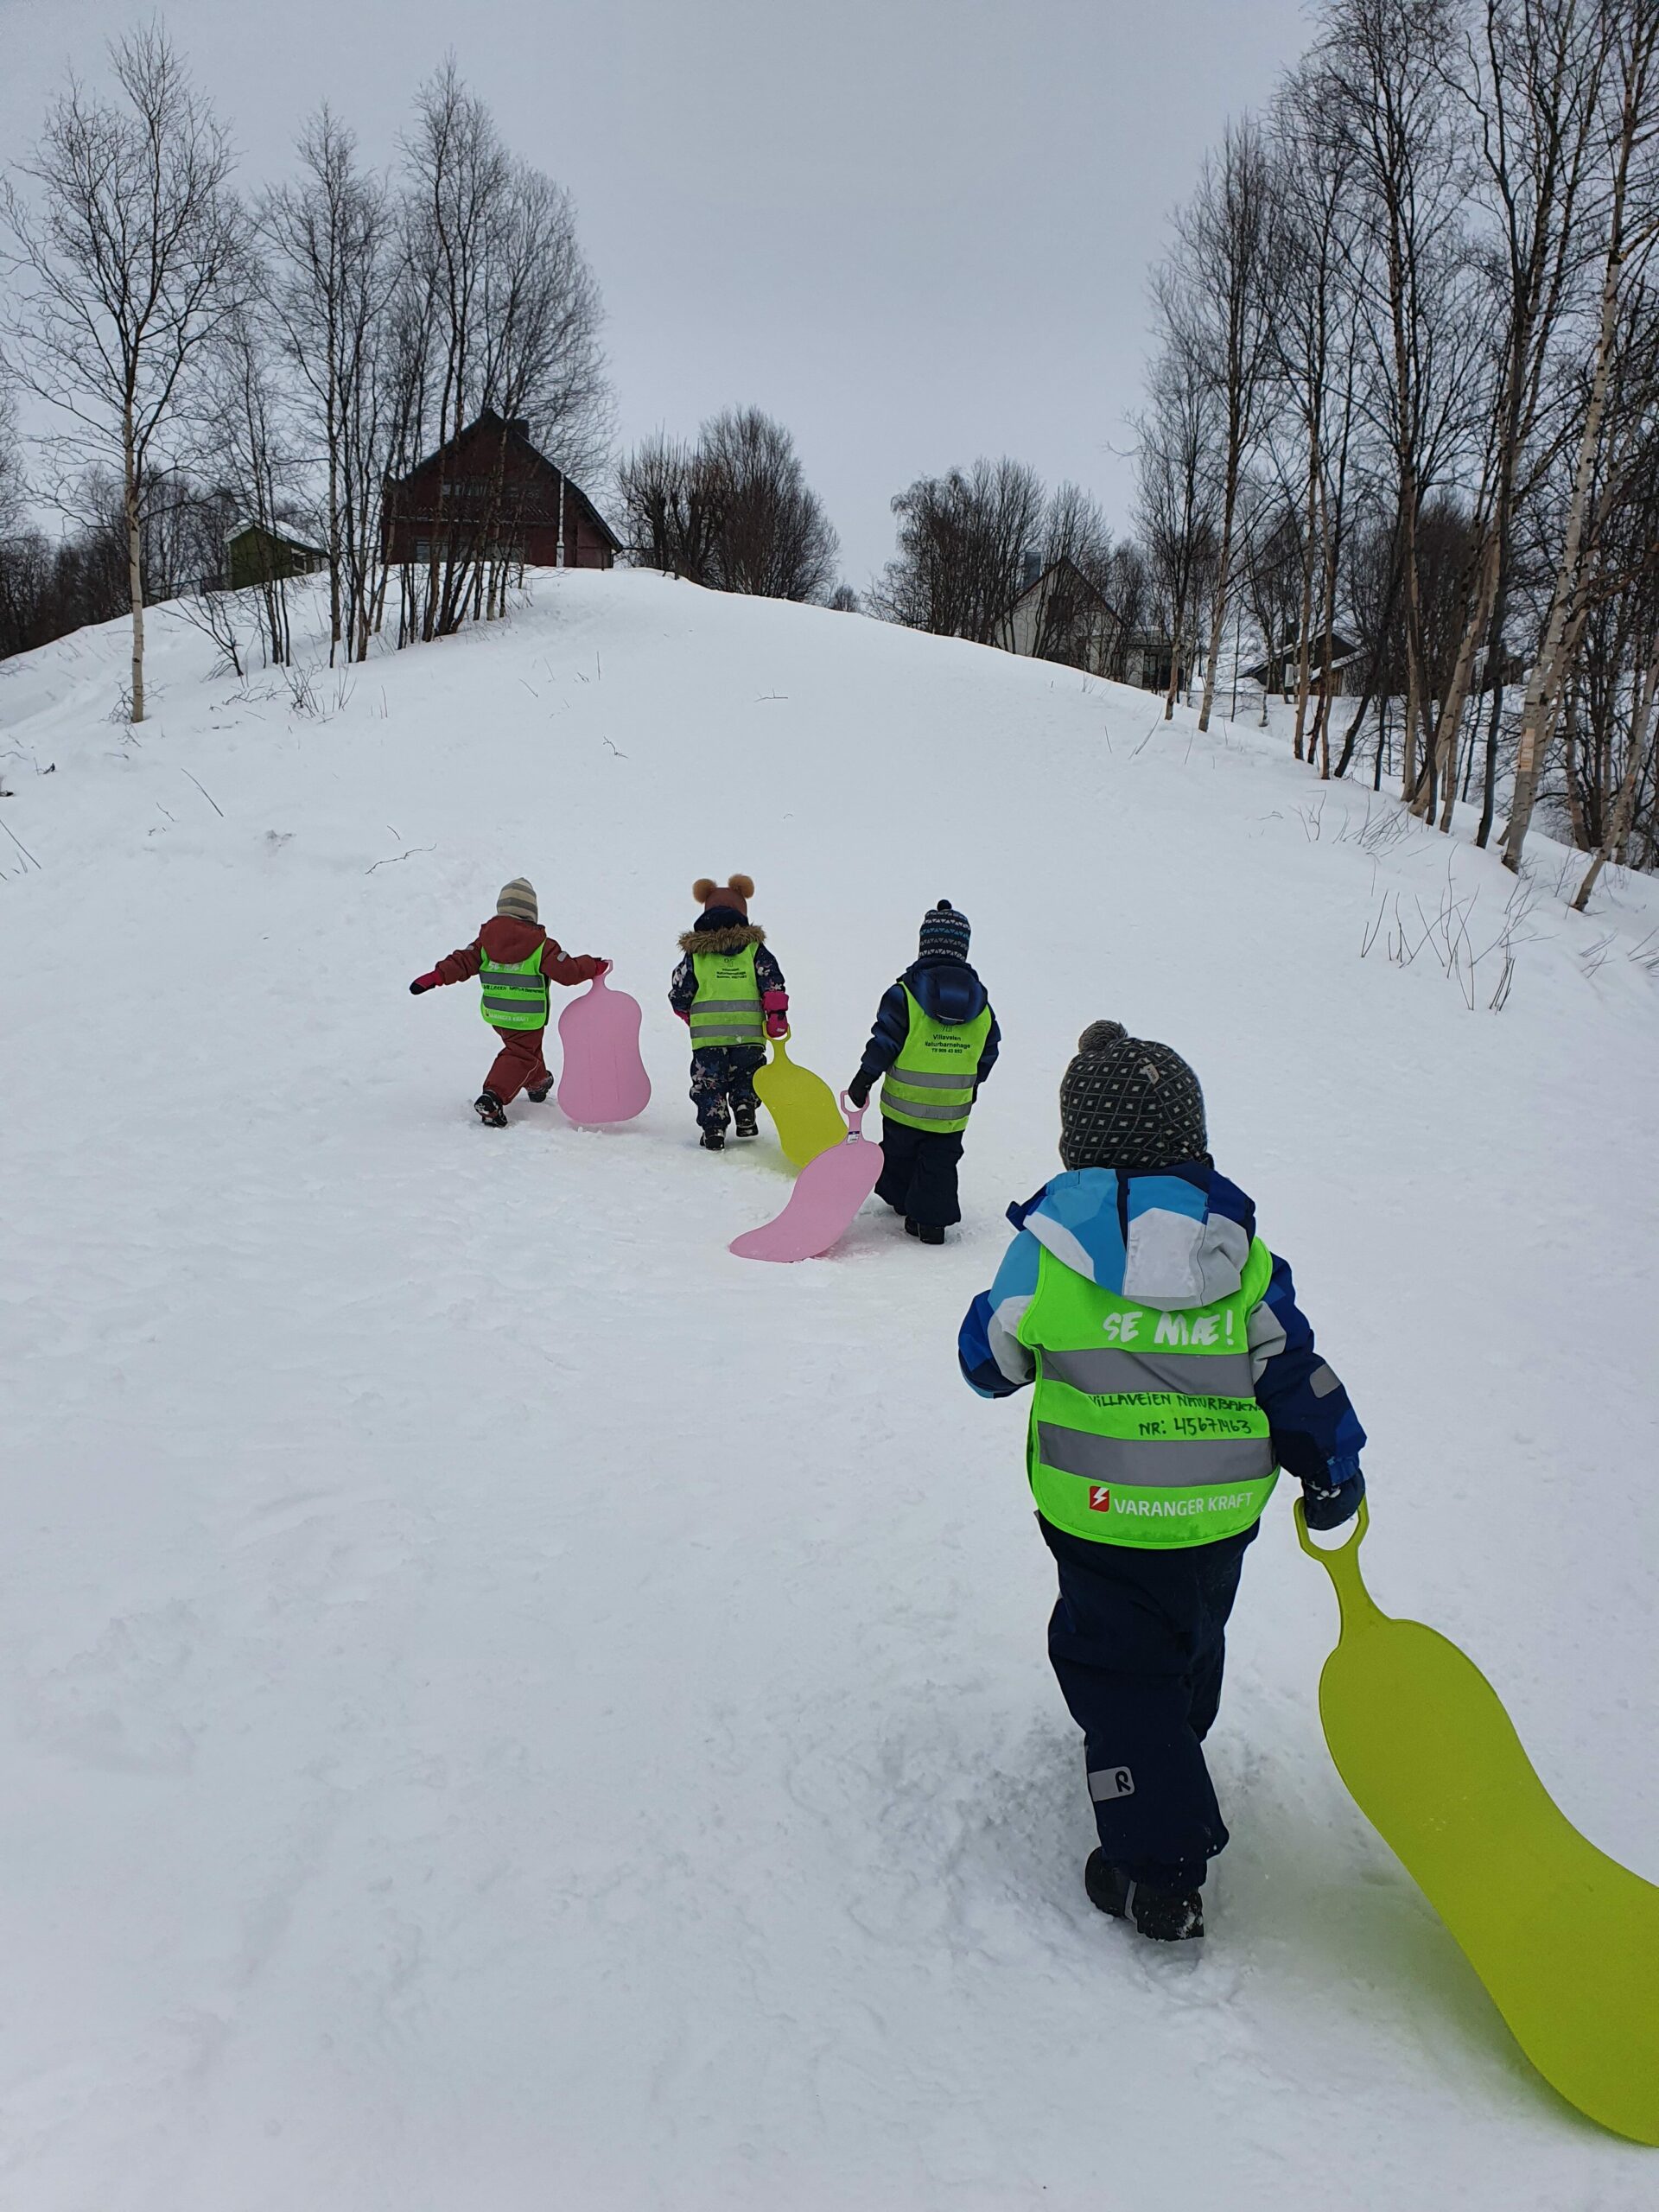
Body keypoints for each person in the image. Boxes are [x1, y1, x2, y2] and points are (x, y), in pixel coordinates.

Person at [957, 1020, 1366, 1941]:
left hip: (1101, 1514)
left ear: (1078, 1141)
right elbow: (1294, 1371)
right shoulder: (1241, 1254)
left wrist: (994, 1341)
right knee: (1190, 1634)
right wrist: (1332, 1463)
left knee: (1113, 1668)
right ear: (1192, 1135)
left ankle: (1159, 1870)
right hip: (1219, 1514)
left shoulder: (1048, 1249)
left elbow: (992, 1359)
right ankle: (1170, 1741)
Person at [848, 899, 999, 1243]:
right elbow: (989, 1050)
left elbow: (885, 1040)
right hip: (952, 1109)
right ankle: (930, 1222)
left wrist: (865, 1077)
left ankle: (902, 1199)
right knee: (939, 1161)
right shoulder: (982, 1006)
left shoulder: (905, 995)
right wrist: (973, 1084)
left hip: (903, 1104)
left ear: (924, 945)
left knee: (899, 1153)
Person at [410, 877, 607, 1126]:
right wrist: (593, 966)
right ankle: (493, 1096)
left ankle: (538, 1083)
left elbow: (461, 961)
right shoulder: (541, 945)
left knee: (526, 1049)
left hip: (497, 1014)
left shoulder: (485, 942)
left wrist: (436, 976)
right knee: (521, 1054)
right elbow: (568, 972)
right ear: (531, 912)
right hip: (526, 1017)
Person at [669, 875, 788, 1152]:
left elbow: (681, 989)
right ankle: (745, 1109)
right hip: (749, 1033)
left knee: (709, 1081)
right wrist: (777, 1015)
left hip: (708, 1036)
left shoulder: (696, 954)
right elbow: (772, 983)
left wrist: (687, 1014)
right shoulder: (754, 950)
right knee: (747, 1074)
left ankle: (713, 1129)